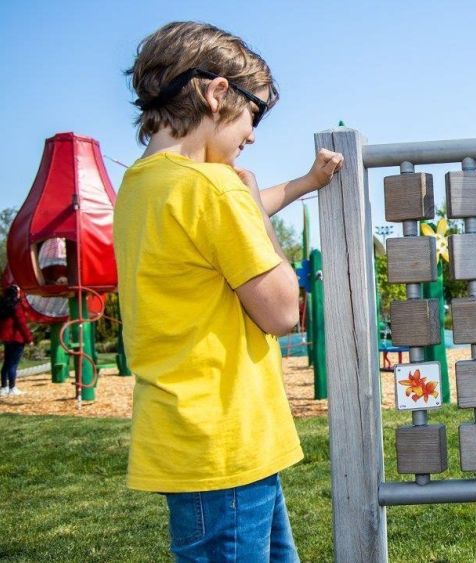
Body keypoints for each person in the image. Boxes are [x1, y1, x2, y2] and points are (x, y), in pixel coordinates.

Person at [115, 21, 343, 562]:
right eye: (254, 114)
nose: (254, 135)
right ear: (218, 93)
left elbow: (236, 211)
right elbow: (284, 312)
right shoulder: (212, 189)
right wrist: (246, 204)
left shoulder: (143, 185)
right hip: (228, 440)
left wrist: (305, 184)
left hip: (188, 437)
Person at [0, 284, 34, 397]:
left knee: (6, 363)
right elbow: (22, 325)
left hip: (6, 338)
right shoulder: (17, 306)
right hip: (17, 338)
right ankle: (12, 388)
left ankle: (4, 387)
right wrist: (29, 339)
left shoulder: (3, 305)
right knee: (13, 364)